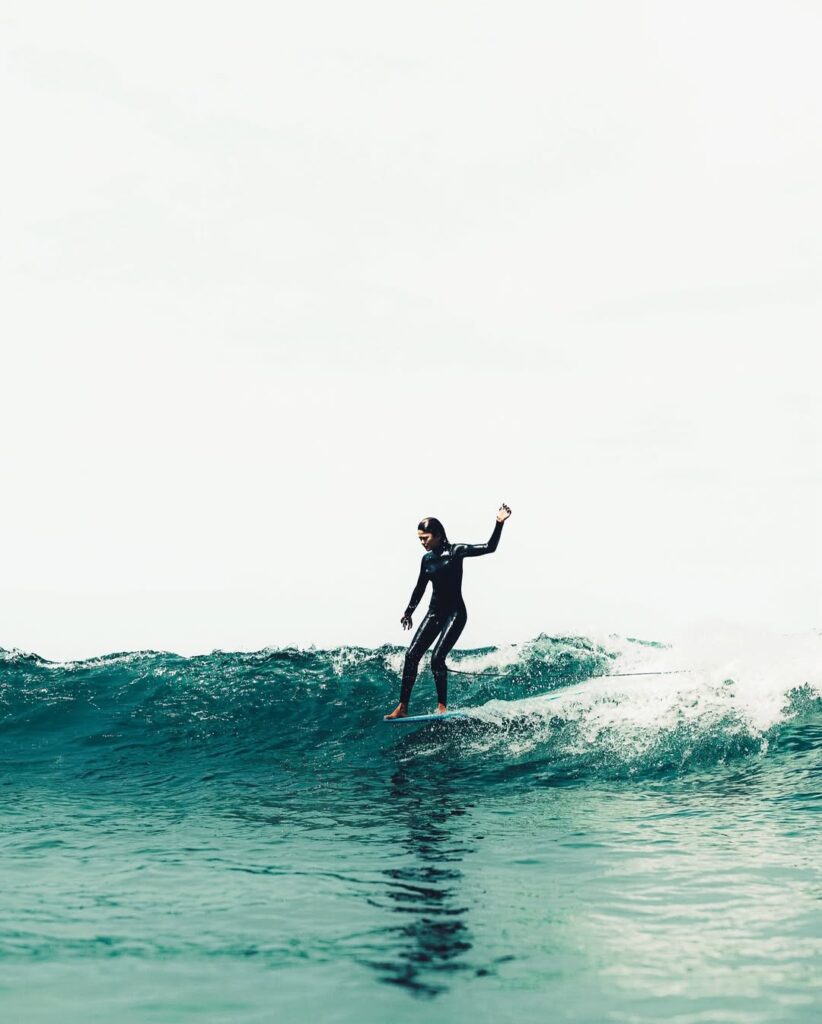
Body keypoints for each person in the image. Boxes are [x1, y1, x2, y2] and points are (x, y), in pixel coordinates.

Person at [384, 504, 512, 719]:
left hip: (455, 614)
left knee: (436, 659)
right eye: (420, 539)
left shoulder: (456, 552)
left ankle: (442, 707)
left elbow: (489, 547)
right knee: (411, 656)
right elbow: (420, 588)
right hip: (434, 613)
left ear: (438, 535)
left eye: (425, 538)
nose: (422, 543)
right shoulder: (426, 560)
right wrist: (409, 612)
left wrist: (499, 523)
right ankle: (403, 707)